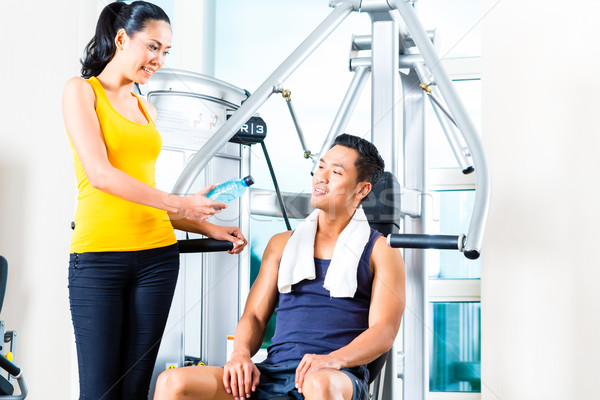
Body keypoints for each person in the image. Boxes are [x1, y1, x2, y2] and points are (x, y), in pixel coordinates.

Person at [62, 2, 247, 399]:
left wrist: (205, 224)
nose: (159, 60)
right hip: (99, 259)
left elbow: (145, 195)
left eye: (166, 52)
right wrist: (179, 202)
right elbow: (101, 175)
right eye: (153, 47)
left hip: (157, 259)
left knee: (134, 389)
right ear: (122, 39)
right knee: (99, 392)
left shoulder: (145, 104)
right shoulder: (82, 92)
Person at [153, 133, 406, 400]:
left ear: (362, 190)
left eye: (336, 172)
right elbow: (254, 317)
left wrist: (333, 360)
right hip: (273, 373)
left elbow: (384, 332)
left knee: (318, 383)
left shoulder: (382, 252)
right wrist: (239, 356)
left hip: (337, 376)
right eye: (321, 167)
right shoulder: (282, 244)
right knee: (173, 382)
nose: (322, 177)